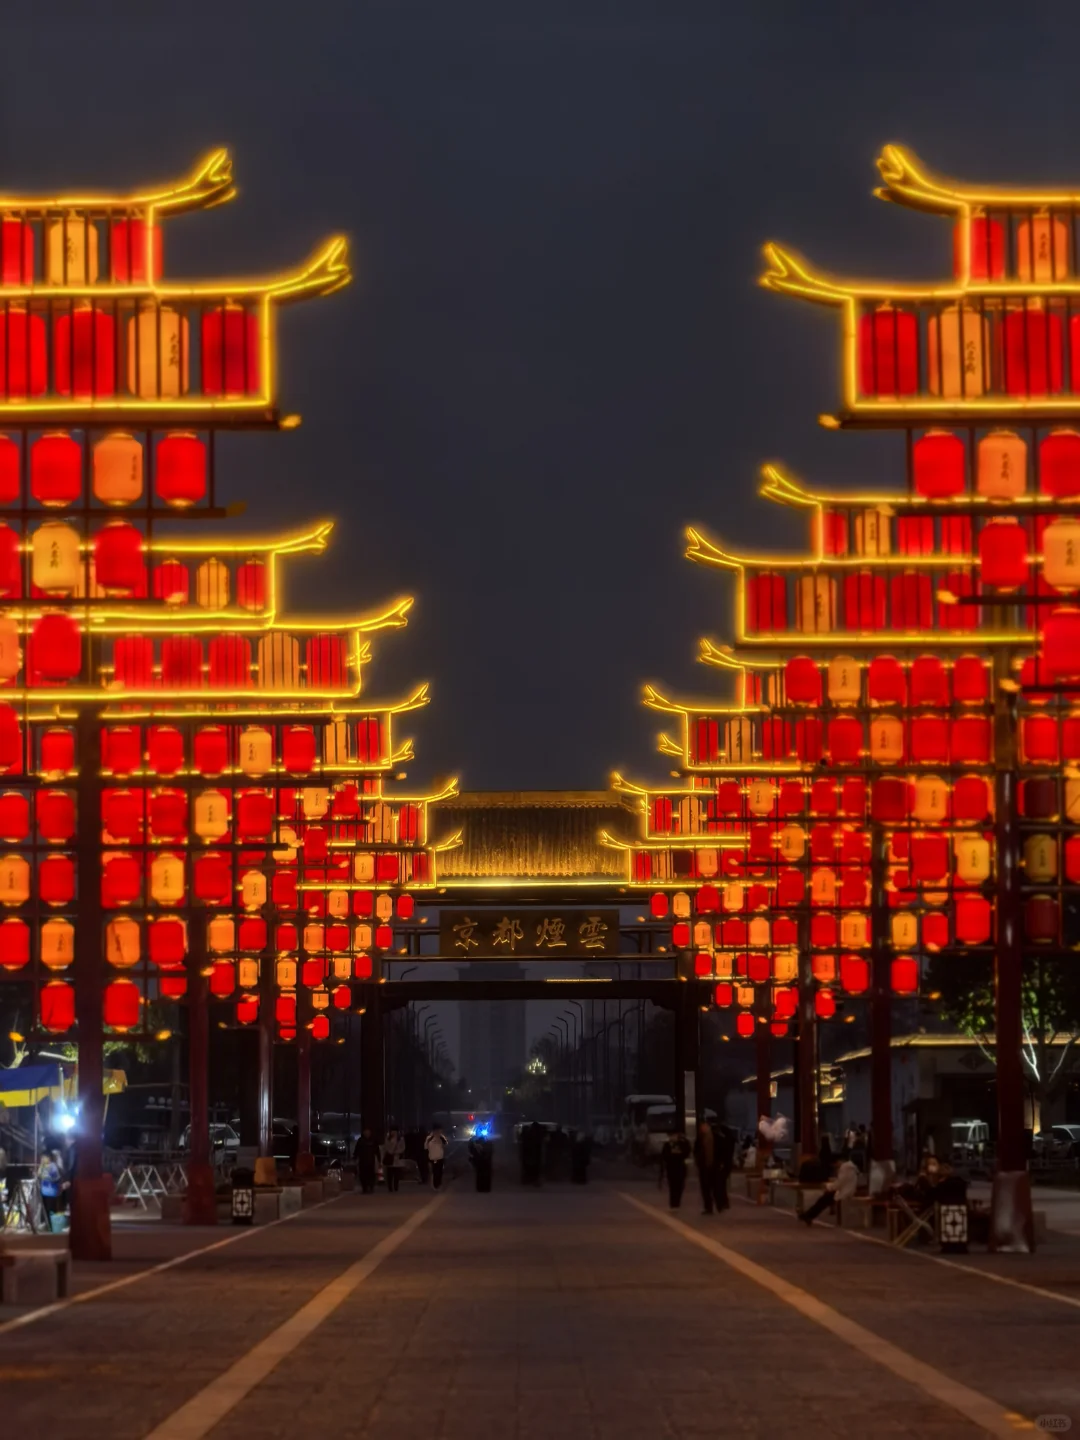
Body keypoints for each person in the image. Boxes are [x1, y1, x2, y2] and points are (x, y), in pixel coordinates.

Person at [798, 1156, 859, 1225]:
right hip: (846, 1190)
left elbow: (839, 1183)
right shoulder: (850, 1168)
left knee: (824, 1200)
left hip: (845, 1193)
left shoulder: (845, 1168)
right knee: (824, 1199)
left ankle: (808, 1215)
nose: (836, 1167)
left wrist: (829, 1186)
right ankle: (808, 1215)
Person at [658, 1130, 692, 1210]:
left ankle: (677, 1202)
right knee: (672, 1186)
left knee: (680, 1186)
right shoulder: (667, 1145)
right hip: (671, 1168)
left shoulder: (682, 1143)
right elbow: (664, 1157)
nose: (672, 1137)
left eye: (673, 1136)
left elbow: (687, 1152)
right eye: (670, 1136)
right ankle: (673, 1203)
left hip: (680, 1168)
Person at [694, 1120, 717, 1214]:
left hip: (709, 1165)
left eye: (703, 1126)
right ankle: (708, 1206)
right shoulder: (701, 1137)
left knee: (708, 1187)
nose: (702, 1128)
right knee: (705, 1187)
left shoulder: (711, 1137)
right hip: (704, 1165)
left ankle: (710, 1206)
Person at [37, 1149, 63, 1230]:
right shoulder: (43, 1166)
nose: (42, 1159)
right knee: (45, 1209)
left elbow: (56, 1178)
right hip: (44, 1191)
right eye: (41, 1158)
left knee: (51, 1209)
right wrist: (41, 1166)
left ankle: (53, 1226)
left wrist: (47, 1177)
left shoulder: (53, 1166)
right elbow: (39, 1175)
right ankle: (47, 1224)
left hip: (51, 1192)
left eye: (43, 1157)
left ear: (49, 1158)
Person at [715, 1123, 736, 1212]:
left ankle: (723, 1202)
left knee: (720, 1184)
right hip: (728, 1164)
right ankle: (725, 1202)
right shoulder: (731, 1140)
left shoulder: (724, 1141)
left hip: (723, 1164)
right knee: (722, 1184)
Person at [353, 1128, 378, 1194]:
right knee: (363, 1175)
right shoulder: (360, 1141)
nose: (367, 1134)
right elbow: (357, 1150)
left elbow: (377, 1150)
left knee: (371, 1174)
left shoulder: (373, 1140)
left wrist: (379, 1158)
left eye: (368, 1133)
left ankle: (371, 1186)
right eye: (366, 1133)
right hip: (363, 1160)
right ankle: (364, 1187)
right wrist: (355, 1158)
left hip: (371, 1160)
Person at [425, 1123, 448, 1190]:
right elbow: (426, 1148)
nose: (439, 1132)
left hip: (440, 1157)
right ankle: (435, 1185)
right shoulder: (429, 1138)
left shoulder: (442, 1137)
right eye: (438, 1130)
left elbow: (446, 1145)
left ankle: (438, 1184)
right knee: (434, 1172)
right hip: (432, 1158)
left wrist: (441, 1141)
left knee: (439, 1172)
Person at [521, 1121, 544, 1185]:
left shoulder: (530, 1133)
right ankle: (531, 1180)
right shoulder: (537, 1134)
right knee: (533, 1167)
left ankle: (529, 1179)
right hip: (532, 1153)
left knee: (530, 1167)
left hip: (531, 1153)